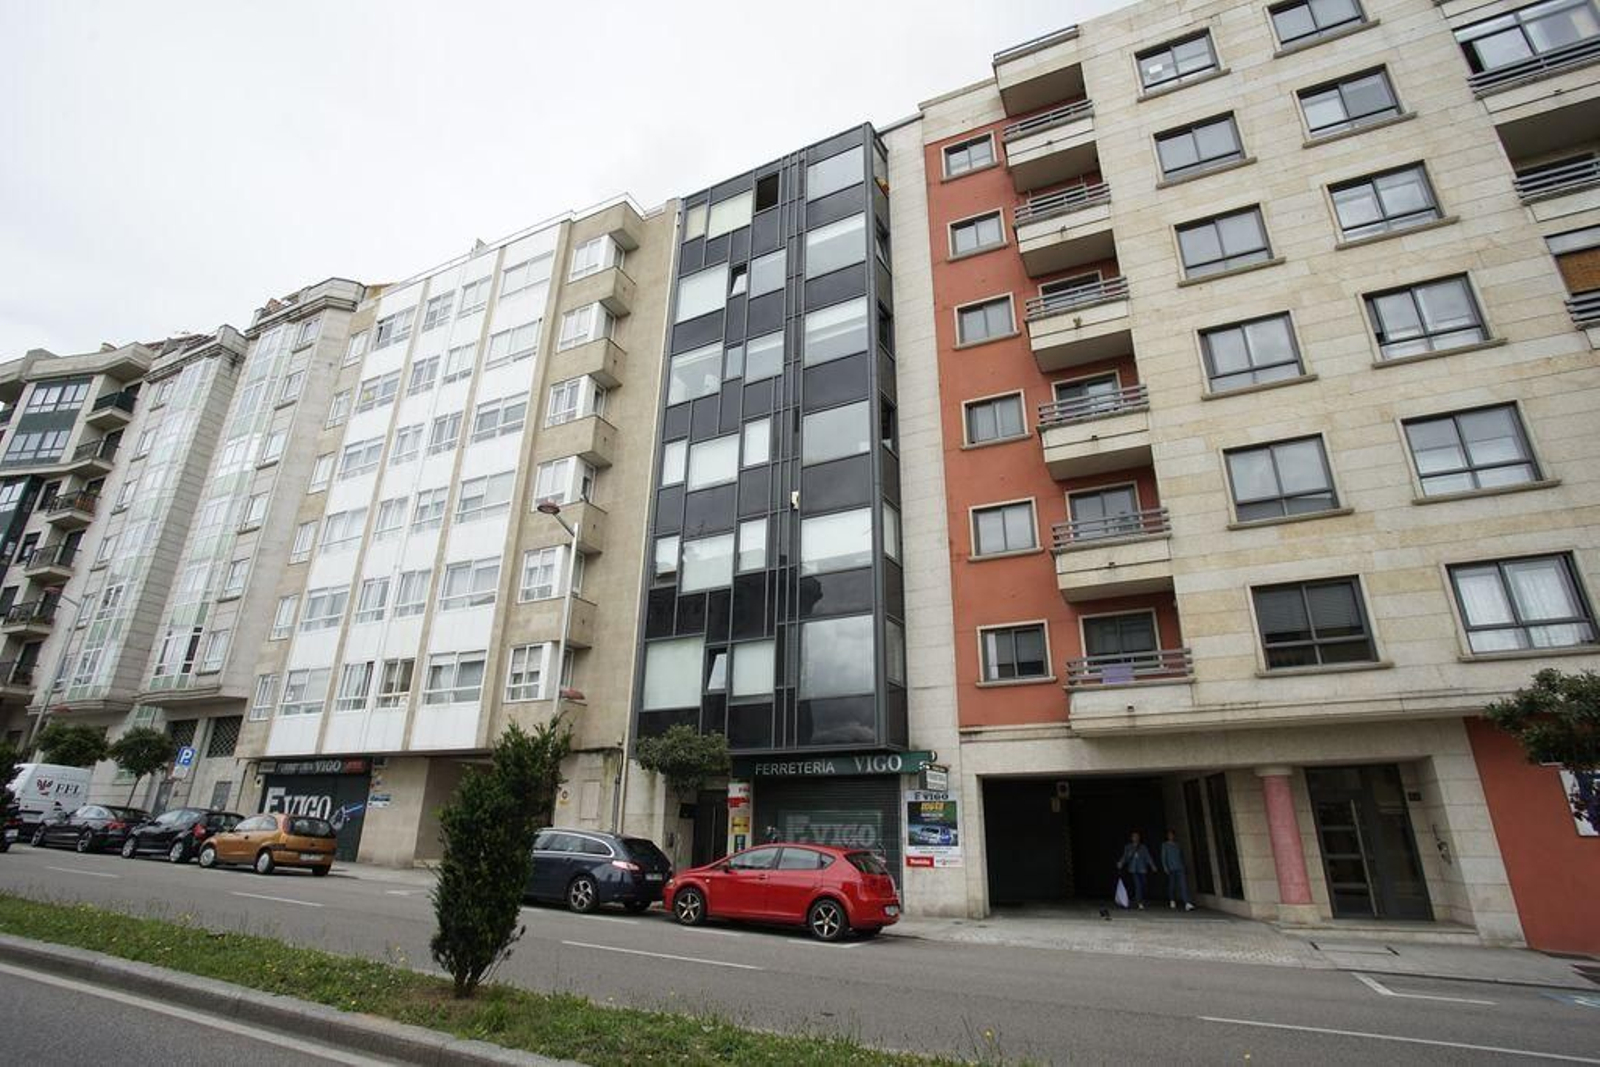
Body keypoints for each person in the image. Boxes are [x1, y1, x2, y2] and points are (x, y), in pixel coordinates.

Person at [1116, 831, 1155, 910]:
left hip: (1142, 868)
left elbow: (1148, 857)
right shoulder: (1128, 847)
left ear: (1139, 838)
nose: (1135, 838)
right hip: (1133, 869)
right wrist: (1121, 862)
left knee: (1143, 884)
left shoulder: (1143, 847)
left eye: (1137, 836)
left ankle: (1138, 899)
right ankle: (1139, 903)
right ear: (1132, 838)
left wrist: (1152, 865)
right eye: (1134, 836)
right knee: (1138, 885)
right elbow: (1125, 857)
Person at [1161, 829, 1196, 911]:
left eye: (1172, 835)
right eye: (1169, 835)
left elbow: (1181, 856)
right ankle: (1172, 899)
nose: (1171, 836)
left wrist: (1184, 865)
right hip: (1171, 868)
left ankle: (1187, 902)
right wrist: (1165, 867)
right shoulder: (1165, 845)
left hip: (1180, 867)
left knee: (1183, 885)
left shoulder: (1178, 845)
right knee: (1172, 885)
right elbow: (1163, 857)